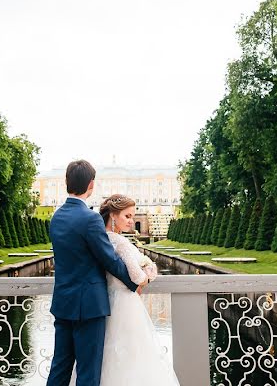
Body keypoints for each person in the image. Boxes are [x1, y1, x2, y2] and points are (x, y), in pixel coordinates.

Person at [47, 160, 143, 386]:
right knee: (88, 373)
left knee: (59, 368)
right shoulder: (90, 219)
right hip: (89, 307)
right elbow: (109, 259)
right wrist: (134, 282)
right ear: (91, 184)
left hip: (62, 303)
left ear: (66, 183)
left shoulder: (56, 218)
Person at [89, 193, 181, 386]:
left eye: (133, 216)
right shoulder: (120, 242)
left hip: (105, 301)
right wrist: (148, 272)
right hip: (125, 304)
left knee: (107, 354)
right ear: (113, 216)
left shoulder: (100, 239)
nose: (131, 221)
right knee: (134, 355)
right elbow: (137, 276)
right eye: (127, 216)